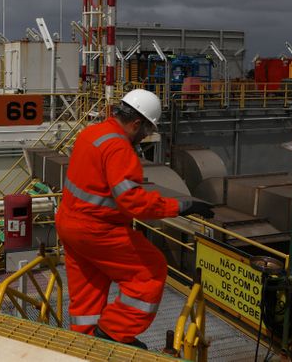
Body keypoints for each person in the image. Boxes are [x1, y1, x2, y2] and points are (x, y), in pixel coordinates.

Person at [56, 89, 214, 349]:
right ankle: (113, 333)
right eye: (146, 131)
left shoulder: (91, 133)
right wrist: (181, 206)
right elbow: (133, 201)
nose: (145, 137)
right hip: (98, 229)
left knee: (88, 291)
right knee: (150, 272)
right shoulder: (119, 148)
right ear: (137, 123)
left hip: (69, 224)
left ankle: (85, 343)